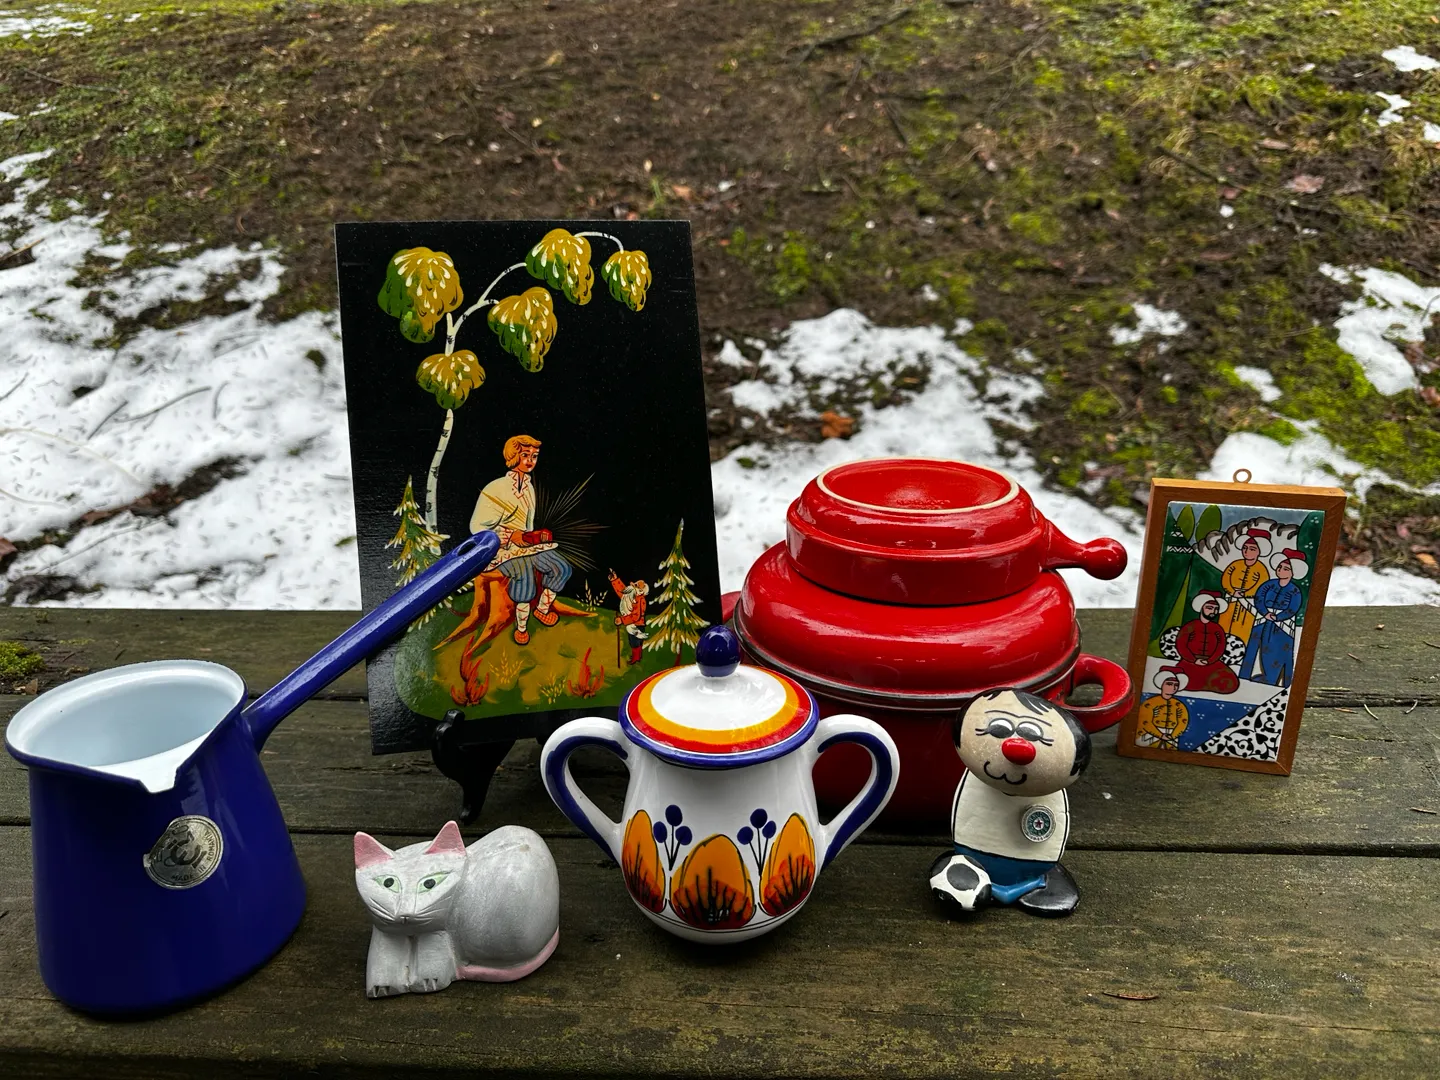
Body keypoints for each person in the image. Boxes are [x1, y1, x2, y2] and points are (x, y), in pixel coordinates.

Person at [469, 435, 573, 646]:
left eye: (534, 456)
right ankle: (522, 628)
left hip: (524, 545)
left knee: (561, 566)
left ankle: (542, 609)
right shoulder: (495, 488)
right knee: (523, 573)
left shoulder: (529, 489)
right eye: (525, 455)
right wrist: (509, 536)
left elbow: (527, 526)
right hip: (499, 549)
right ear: (513, 455)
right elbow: (477, 528)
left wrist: (533, 537)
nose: (530, 460)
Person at [1240, 548, 1307, 686]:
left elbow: (1293, 607)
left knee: (1275, 650)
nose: (1281, 570)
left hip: (1282, 626)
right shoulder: (1268, 585)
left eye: (1286, 568)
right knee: (1252, 647)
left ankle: (1271, 679)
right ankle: (1244, 676)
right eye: (1279, 567)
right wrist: (1265, 612)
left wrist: (1279, 617)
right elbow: (1259, 598)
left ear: (1293, 572)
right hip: (1262, 619)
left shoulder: (1294, 590)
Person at [1173, 591, 1239, 695]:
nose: (1213, 611)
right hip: (1190, 662)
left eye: (1216, 609)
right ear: (1201, 608)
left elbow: (1220, 647)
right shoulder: (1190, 626)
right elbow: (1181, 645)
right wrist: (1194, 660)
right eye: (1209, 608)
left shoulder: (1217, 629)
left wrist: (1210, 660)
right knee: (1180, 679)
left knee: (1231, 683)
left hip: (1212, 663)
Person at [1219, 528, 1271, 646]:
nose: (1247, 552)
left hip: (1248, 605)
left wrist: (1245, 594)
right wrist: (1232, 592)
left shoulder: (1261, 568)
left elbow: (1262, 586)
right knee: (1224, 624)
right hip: (1231, 601)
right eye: (1245, 548)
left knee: (1243, 627)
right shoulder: (1235, 564)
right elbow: (1225, 579)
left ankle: (1240, 649)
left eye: (1252, 549)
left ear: (1259, 551)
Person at [1135, 668, 1190, 750]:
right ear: (1161, 685)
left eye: (1176, 685)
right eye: (1169, 684)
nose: (1173, 687)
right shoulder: (1150, 703)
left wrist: (1173, 735)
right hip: (1150, 735)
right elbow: (1145, 721)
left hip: (1171, 738)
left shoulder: (1179, 705)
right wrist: (1160, 735)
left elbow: (1183, 722)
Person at [608, 570, 649, 665]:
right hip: (632, 624)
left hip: (637, 624)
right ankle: (637, 657)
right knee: (634, 642)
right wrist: (615, 580)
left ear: (641, 590)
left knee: (635, 642)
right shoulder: (631, 595)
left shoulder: (640, 600)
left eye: (637, 585)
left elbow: (636, 616)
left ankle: (636, 658)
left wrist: (622, 620)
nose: (633, 585)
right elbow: (623, 591)